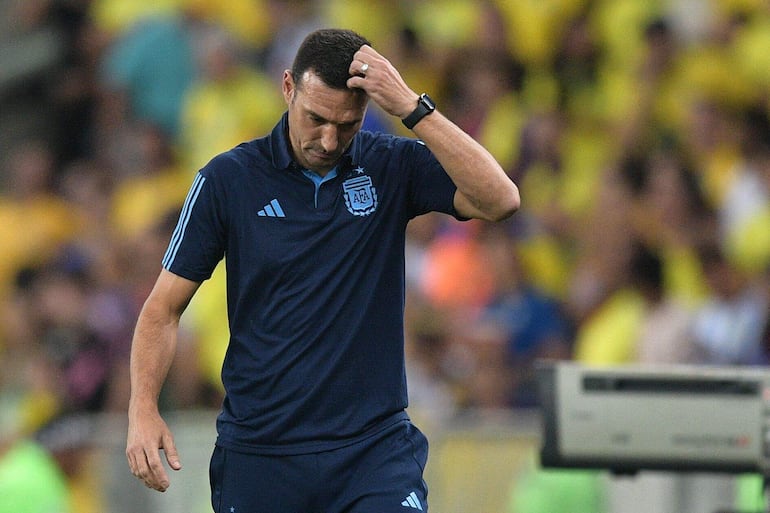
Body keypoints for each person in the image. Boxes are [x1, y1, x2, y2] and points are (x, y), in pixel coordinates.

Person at [125, 28, 519, 513]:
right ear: (288, 87)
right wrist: (142, 408)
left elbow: (501, 200)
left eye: (347, 124)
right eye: (316, 118)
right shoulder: (228, 181)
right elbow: (162, 310)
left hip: (371, 452)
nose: (330, 139)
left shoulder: (388, 166)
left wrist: (413, 108)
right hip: (262, 456)